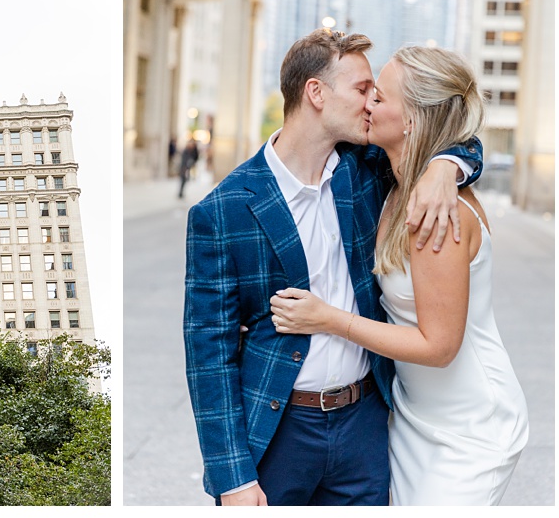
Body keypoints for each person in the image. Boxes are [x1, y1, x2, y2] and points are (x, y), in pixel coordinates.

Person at [183, 29, 482, 506]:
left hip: (365, 424)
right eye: (362, 89)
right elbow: (208, 356)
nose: (371, 103)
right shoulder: (222, 211)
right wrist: (233, 479)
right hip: (280, 429)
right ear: (316, 93)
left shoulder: (367, 170)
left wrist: (446, 167)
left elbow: (452, 133)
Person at [270, 46, 528, 505]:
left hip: (467, 427)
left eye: (380, 97)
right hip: (411, 417)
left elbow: (439, 346)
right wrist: (448, 162)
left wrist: (328, 319)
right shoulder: (391, 182)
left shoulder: (438, 214)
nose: (368, 104)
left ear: (411, 119)